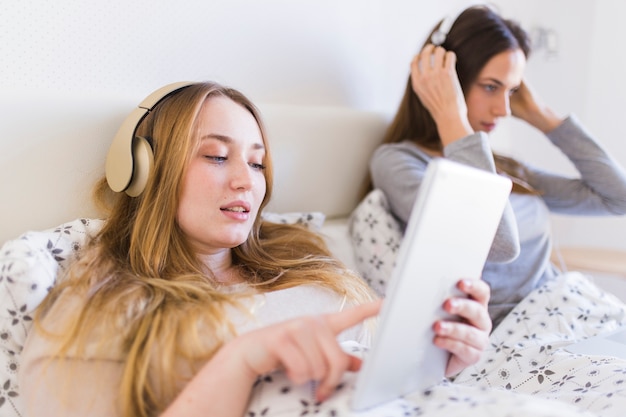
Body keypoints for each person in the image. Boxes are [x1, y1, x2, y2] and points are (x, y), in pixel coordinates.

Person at [18, 81, 493, 417]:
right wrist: (241, 361)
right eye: (218, 156)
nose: (248, 181)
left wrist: (437, 361)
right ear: (145, 169)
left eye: (258, 162)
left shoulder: (305, 261)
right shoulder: (107, 300)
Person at [367, 5, 626, 328]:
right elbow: (498, 245)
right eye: (491, 87)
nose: (504, 109)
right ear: (449, 82)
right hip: (513, 332)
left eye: (513, 90)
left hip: (573, 309)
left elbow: (618, 197)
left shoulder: (499, 165)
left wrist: (540, 114)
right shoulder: (399, 163)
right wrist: (452, 118)